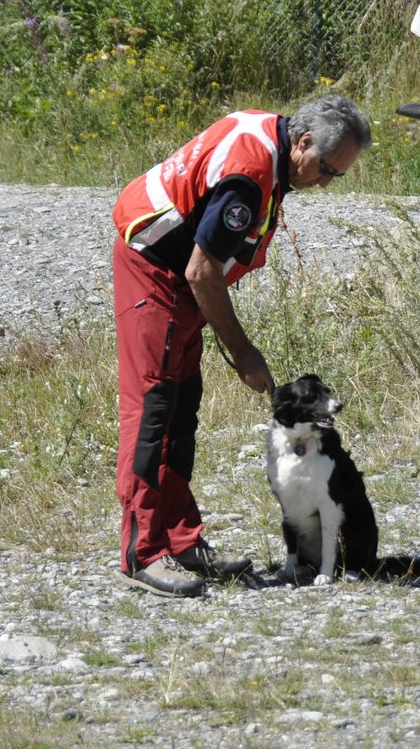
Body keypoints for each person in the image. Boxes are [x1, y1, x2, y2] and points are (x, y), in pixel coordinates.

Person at [110, 95, 371, 599]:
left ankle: (181, 541)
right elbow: (201, 271)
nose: (323, 183)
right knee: (152, 411)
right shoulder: (250, 176)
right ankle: (142, 554)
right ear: (303, 141)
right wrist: (245, 353)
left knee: (182, 407)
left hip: (179, 275)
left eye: (336, 177)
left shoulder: (273, 139)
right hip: (155, 270)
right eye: (325, 171)